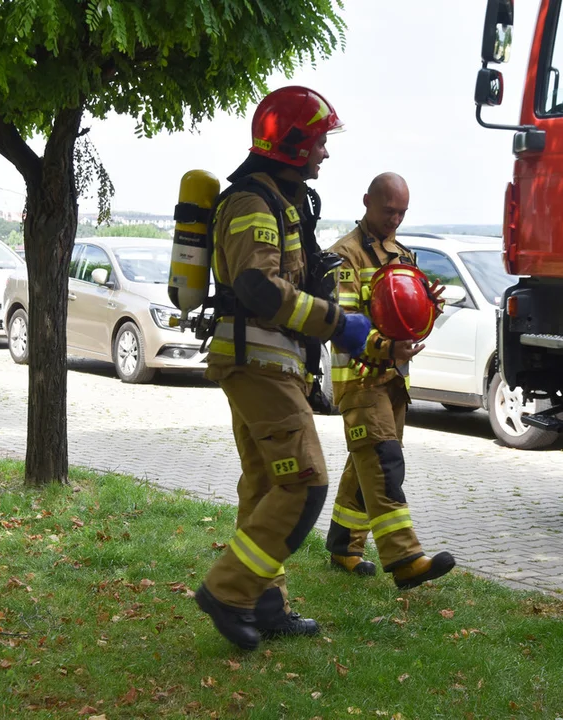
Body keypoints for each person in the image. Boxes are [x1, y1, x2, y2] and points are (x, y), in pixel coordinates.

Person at [194, 86, 372, 651]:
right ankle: (228, 590)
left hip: (266, 361)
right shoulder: (252, 202)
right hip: (258, 362)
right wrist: (333, 322)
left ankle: (263, 603)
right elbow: (255, 285)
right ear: (293, 143)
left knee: (267, 483)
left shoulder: (282, 198)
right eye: (320, 141)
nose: (325, 153)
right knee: (304, 483)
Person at [323, 172, 457, 589]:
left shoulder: (403, 254)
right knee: (383, 463)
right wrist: (385, 348)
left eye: (402, 212)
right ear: (366, 201)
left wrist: (428, 309)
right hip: (360, 380)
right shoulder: (343, 256)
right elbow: (341, 323)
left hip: (395, 380)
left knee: (365, 462)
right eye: (388, 211)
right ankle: (404, 559)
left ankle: (344, 546)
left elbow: (411, 316)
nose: (395, 219)